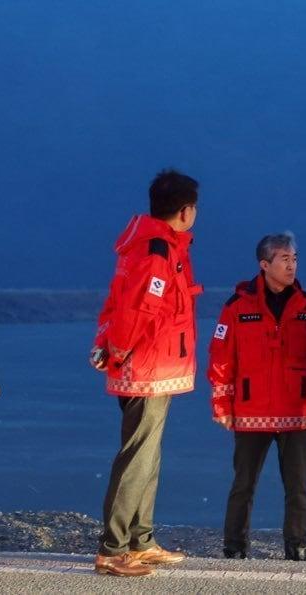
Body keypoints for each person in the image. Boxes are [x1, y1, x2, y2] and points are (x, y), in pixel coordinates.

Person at [91, 170, 203, 577]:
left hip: (155, 364)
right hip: (147, 366)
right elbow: (140, 307)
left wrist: (108, 346)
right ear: (186, 211)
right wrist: (118, 348)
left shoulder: (153, 245)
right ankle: (112, 547)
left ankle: (140, 538)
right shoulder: (157, 250)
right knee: (137, 455)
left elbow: (117, 298)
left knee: (148, 453)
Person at [208, 232, 306, 561]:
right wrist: (221, 404)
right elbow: (221, 356)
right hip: (251, 411)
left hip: (297, 409)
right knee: (243, 484)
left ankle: (297, 546)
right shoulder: (237, 306)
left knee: (298, 487)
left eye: (295, 258)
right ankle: (234, 547)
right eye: (284, 259)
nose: (292, 265)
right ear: (264, 265)